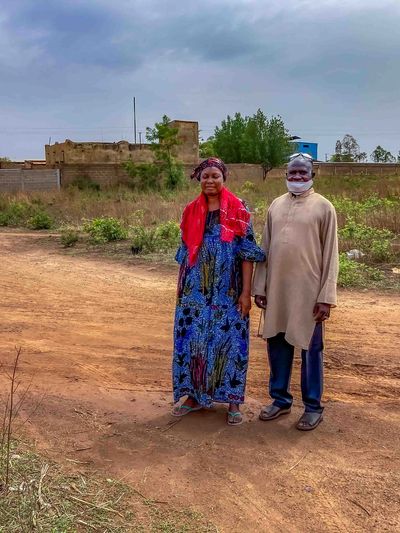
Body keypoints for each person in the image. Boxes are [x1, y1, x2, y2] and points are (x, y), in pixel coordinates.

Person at [172, 157, 265, 425]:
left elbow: (247, 254)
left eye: (215, 176)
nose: (210, 181)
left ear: (223, 179)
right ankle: (194, 396)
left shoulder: (238, 209)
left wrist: (245, 293)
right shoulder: (191, 211)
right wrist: (182, 290)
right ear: (199, 180)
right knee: (194, 342)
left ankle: (233, 401)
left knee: (231, 344)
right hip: (195, 295)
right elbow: (185, 254)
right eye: (205, 176)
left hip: (229, 291)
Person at [253, 153, 338, 431]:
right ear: (286, 175)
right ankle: (280, 400)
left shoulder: (324, 207)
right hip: (277, 289)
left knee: (311, 349)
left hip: (309, 292)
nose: (298, 178)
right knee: (277, 343)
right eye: (293, 174)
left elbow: (331, 254)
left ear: (313, 175)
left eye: (303, 173)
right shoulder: (276, 205)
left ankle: (313, 407)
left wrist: (326, 297)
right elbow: (264, 248)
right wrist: (260, 286)